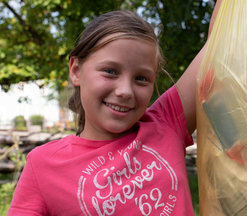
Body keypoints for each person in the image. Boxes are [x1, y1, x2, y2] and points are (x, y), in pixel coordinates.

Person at [8, 1, 222, 215]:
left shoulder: (167, 122)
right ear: (76, 70)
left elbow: (220, 42)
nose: (125, 91)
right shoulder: (43, 165)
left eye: (141, 78)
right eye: (110, 71)